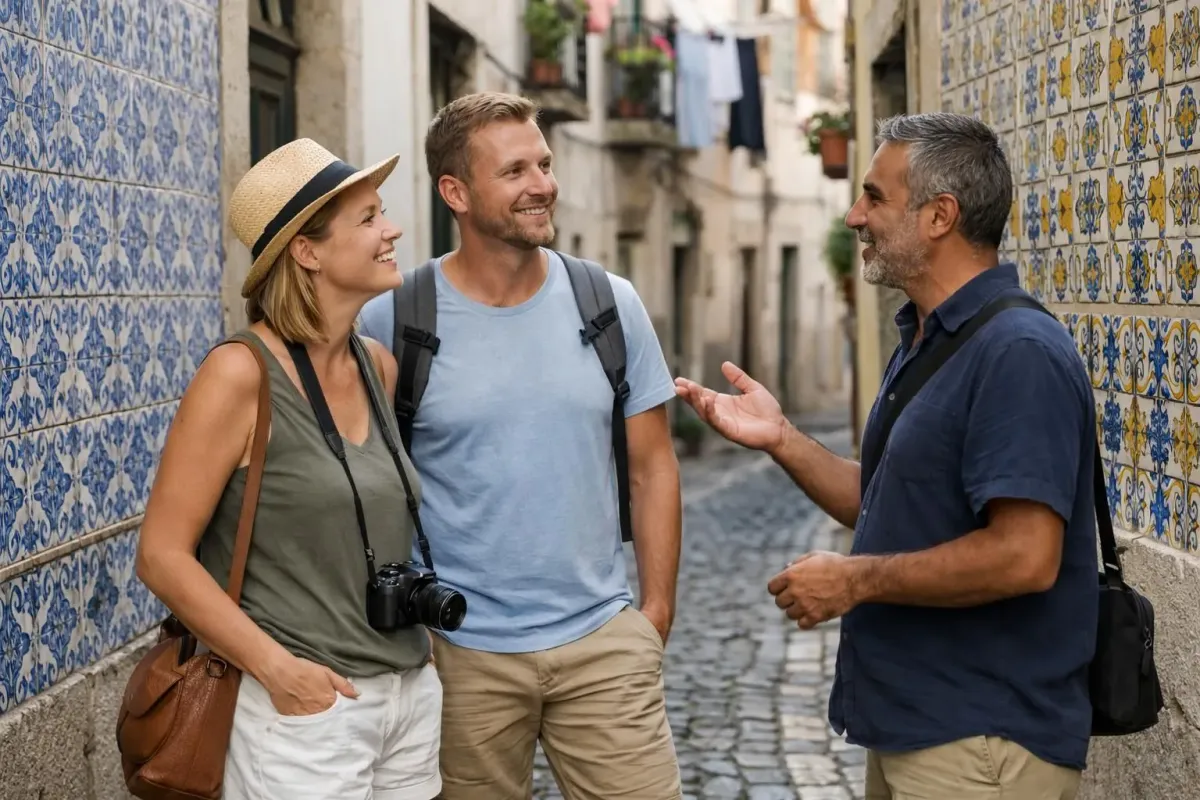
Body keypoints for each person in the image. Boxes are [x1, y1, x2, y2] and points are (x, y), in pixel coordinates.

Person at [675, 113, 1096, 800]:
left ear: (939, 216)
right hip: (920, 732)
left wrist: (855, 580)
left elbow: (1026, 555)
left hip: (981, 745)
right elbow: (882, 500)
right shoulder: (926, 341)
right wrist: (780, 437)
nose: (854, 215)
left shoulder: (1016, 352)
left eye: (874, 196)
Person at [358, 91, 684, 799]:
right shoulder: (392, 319)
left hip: (602, 643)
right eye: (515, 172)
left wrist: (652, 619)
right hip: (459, 657)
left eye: (544, 162)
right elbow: (360, 484)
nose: (543, 184)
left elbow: (653, 468)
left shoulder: (609, 303)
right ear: (457, 192)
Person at [136, 138, 443, 800]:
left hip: (408, 698)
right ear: (306, 251)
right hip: (304, 716)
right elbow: (161, 556)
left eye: (381, 213)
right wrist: (278, 670)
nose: (391, 230)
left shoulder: (377, 366)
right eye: (367, 219)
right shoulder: (239, 374)